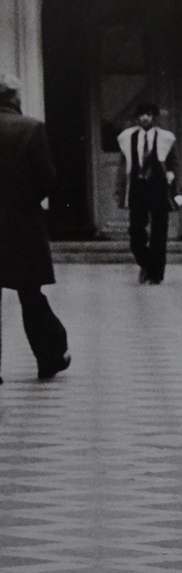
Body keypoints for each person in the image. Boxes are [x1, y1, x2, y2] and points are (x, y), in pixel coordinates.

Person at [0, 72, 70, 382]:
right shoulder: (31, 128)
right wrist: (25, 202)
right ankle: (50, 357)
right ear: (14, 98)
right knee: (30, 295)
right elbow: (47, 178)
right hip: (22, 225)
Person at [115, 101, 178, 285]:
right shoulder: (127, 137)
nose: (145, 118)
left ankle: (156, 274)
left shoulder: (166, 137)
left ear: (154, 117)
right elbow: (123, 165)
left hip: (158, 187)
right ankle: (146, 262)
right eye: (142, 114)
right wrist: (119, 189)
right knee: (136, 230)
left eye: (149, 114)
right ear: (137, 117)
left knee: (159, 230)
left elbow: (173, 162)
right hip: (137, 187)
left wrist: (173, 183)